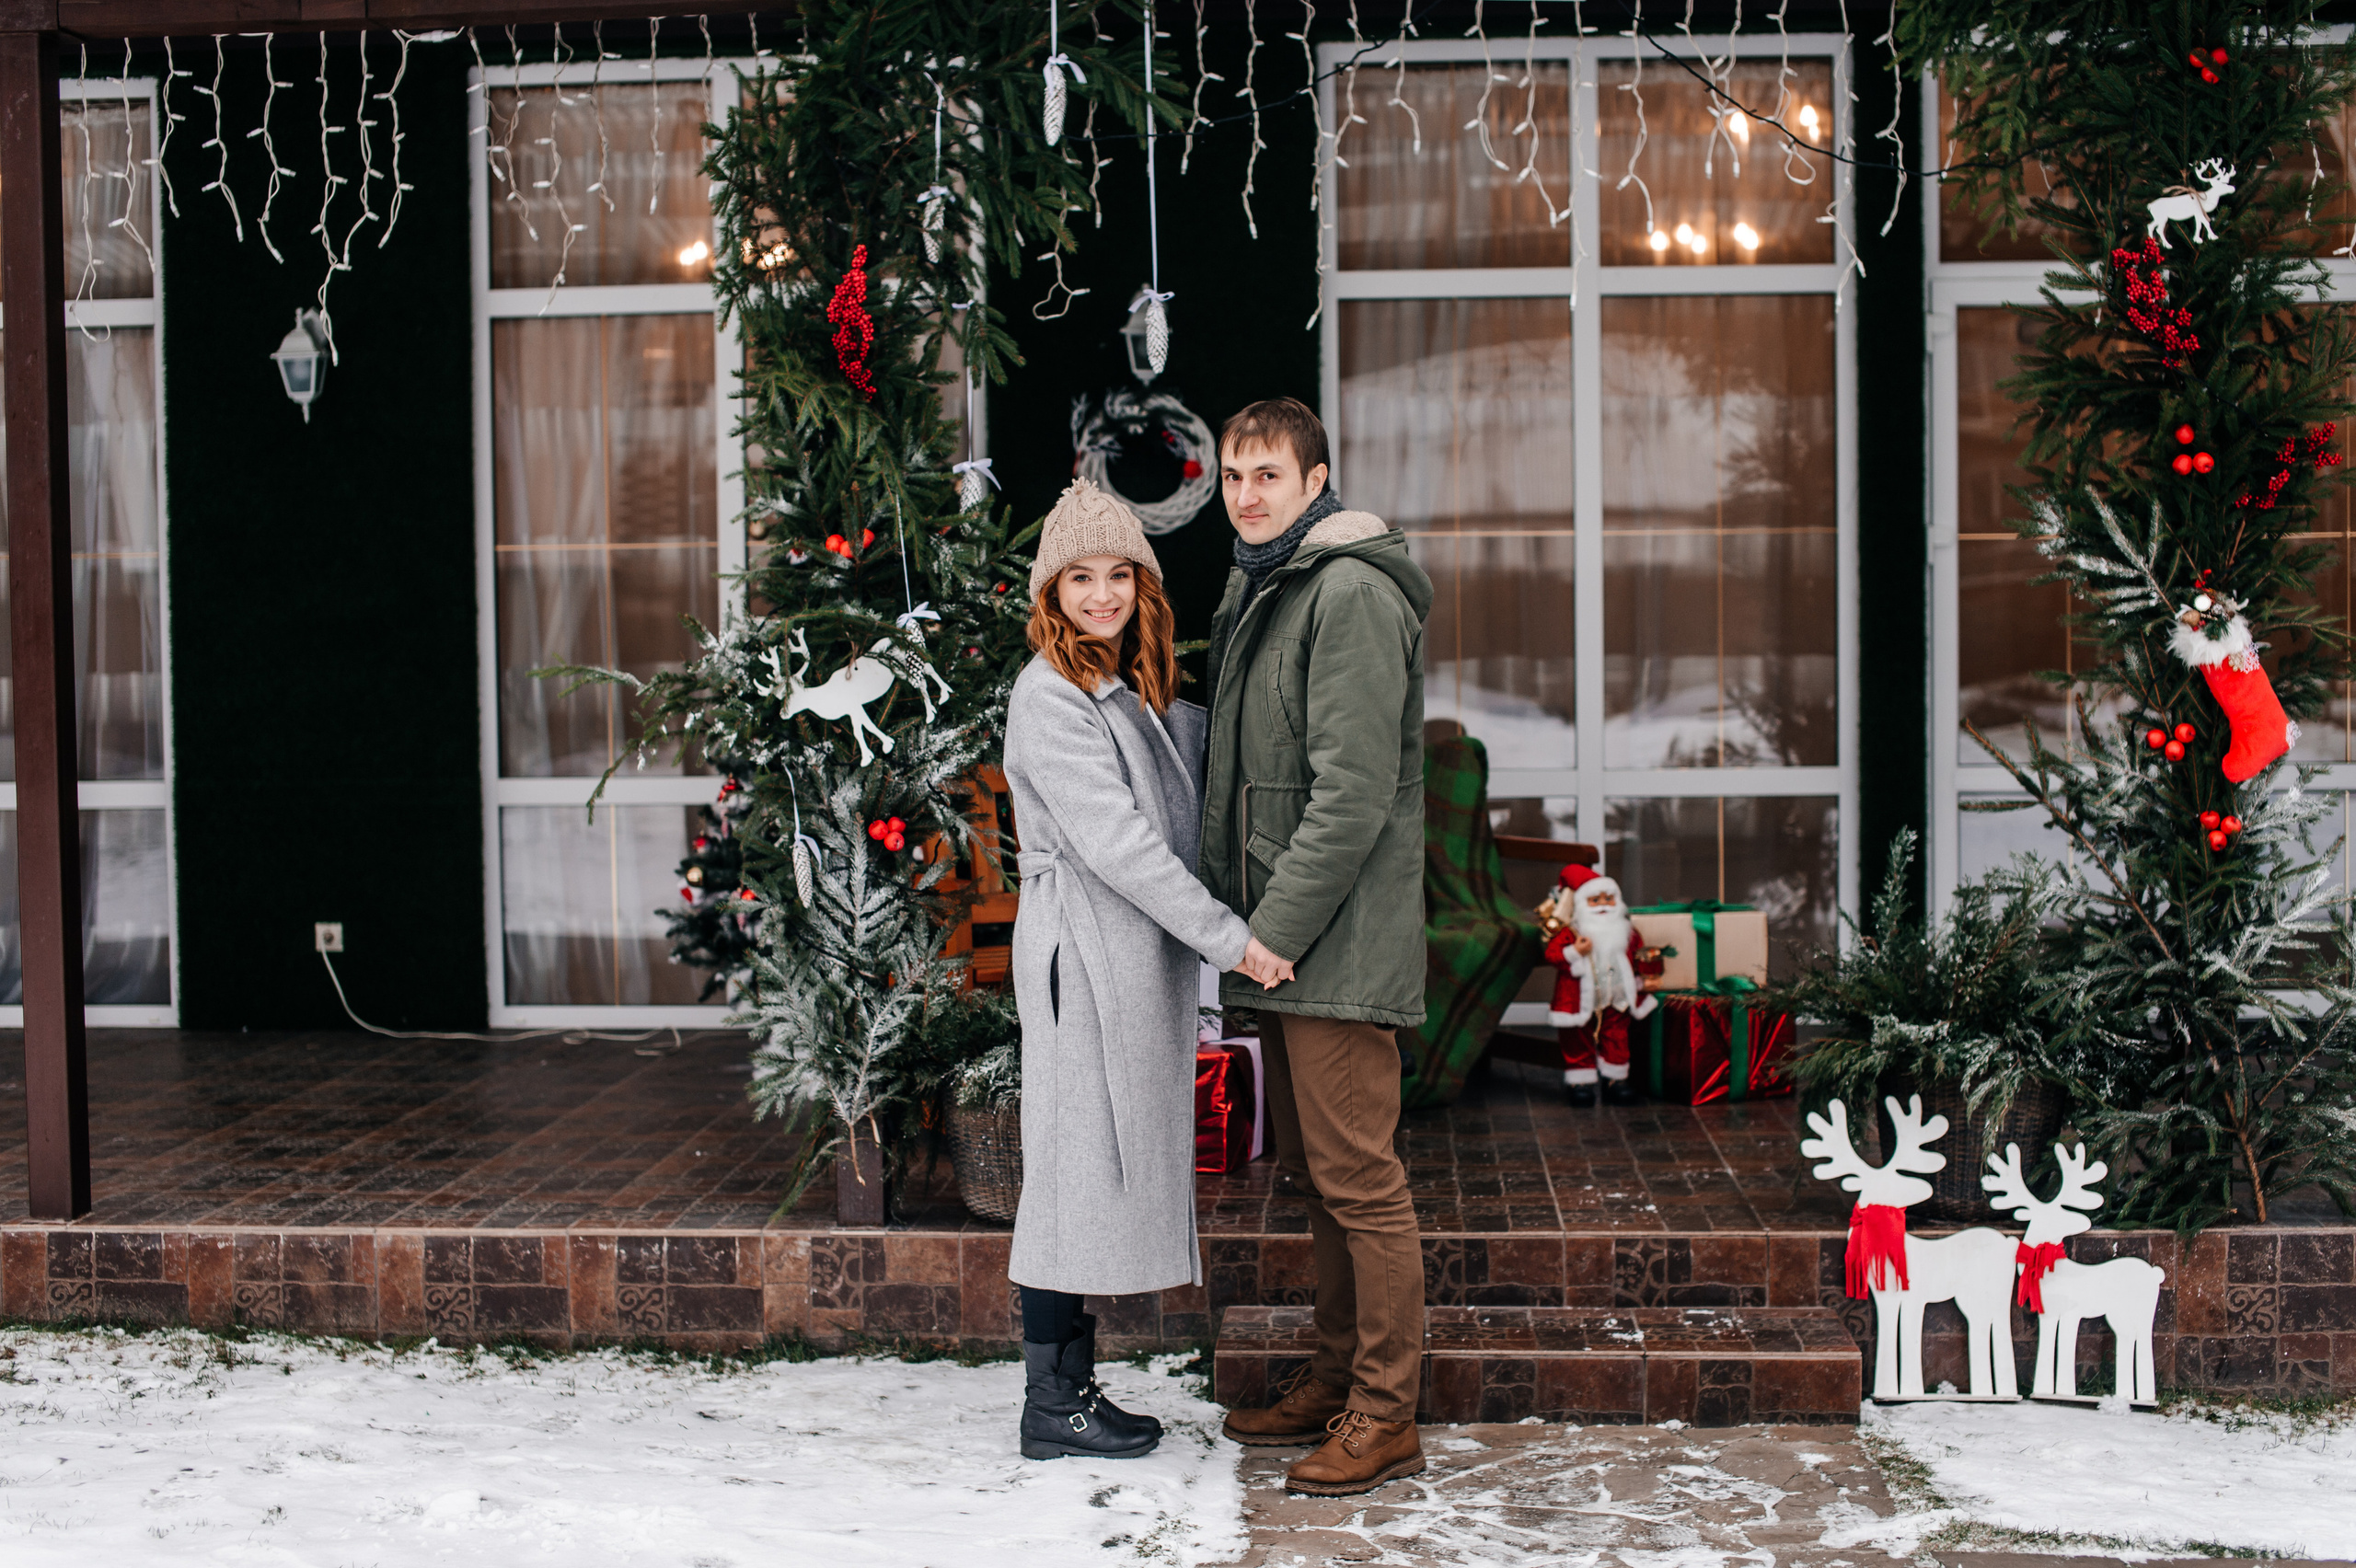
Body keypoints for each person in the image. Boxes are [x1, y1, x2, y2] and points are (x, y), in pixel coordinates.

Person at [1001, 476, 1295, 1462]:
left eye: (1116, 573)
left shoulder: (1116, 683)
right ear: (1051, 589)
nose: (1100, 595)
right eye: (1078, 577)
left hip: (1117, 952)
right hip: (1081, 954)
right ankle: (1053, 1402)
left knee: (1088, 1166)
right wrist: (1233, 939)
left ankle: (1071, 1387)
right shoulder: (1051, 695)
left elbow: (1184, 782)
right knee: (1068, 1172)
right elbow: (1119, 844)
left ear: (1141, 581)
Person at [1196, 398, 1435, 1496]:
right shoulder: (1267, 584)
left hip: (1324, 944)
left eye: (1268, 477)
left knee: (1361, 1184)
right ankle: (1337, 1382)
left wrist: (1269, 934)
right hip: (1287, 950)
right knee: (1320, 1181)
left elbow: (1351, 796)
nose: (1246, 495)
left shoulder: (1345, 593)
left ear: (1317, 482)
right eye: (1234, 475)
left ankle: (1385, 1414)